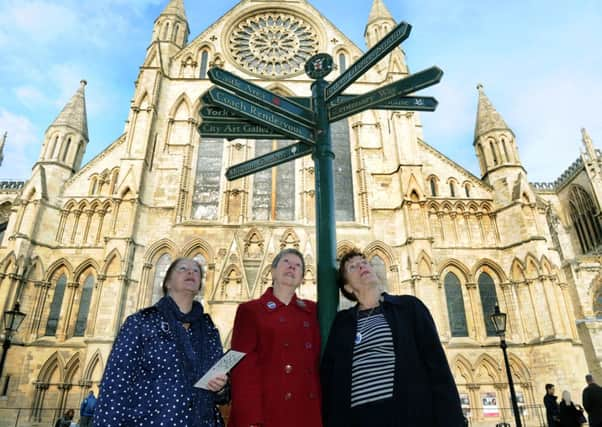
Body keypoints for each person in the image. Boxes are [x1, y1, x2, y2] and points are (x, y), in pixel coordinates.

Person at [321, 248, 464, 427]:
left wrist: (453, 420)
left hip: (405, 415)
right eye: (352, 267)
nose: (361, 266)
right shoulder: (343, 322)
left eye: (364, 262)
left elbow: (437, 366)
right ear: (348, 287)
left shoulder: (409, 307)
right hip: (359, 419)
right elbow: (330, 379)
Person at [95, 258, 228, 426]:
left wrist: (221, 387)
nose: (191, 272)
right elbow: (115, 384)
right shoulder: (141, 322)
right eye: (183, 269)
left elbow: (221, 390)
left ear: (199, 286)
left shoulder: (208, 330)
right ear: (167, 283)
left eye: (196, 271)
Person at [229, 248, 322, 427]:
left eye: (298, 266)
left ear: (303, 278)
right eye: (286, 262)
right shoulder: (251, 310)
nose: (292, 267)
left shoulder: (313, 311)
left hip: (306, 411)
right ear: (272, 271)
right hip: (270, 411)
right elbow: (243, 368)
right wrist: (250, 419)